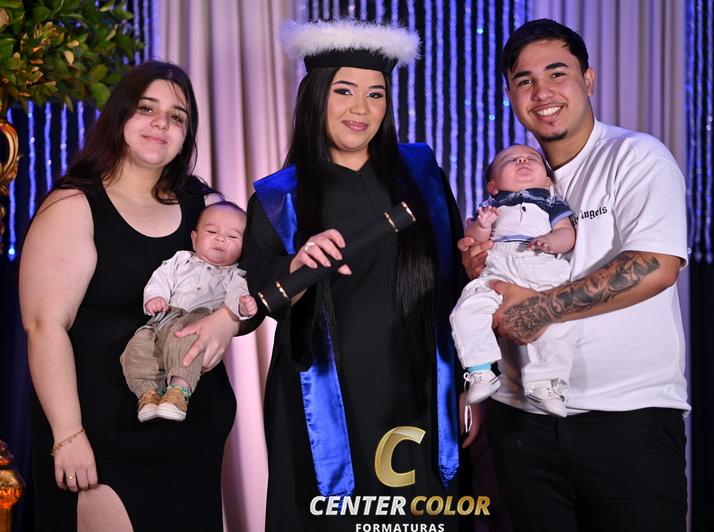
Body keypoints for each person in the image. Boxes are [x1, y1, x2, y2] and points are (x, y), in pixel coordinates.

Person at [239, 20, 474, 531]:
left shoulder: (424, 177)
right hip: (326, 399)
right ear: (316, 96)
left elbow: (457, 285)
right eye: (344, 91)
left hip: (421, 389)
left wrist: (468, 381)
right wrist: (294, 267)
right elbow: (250, 297)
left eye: (376, 94)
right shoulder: (280, 198)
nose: (361, 109)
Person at [460, 19, 689, 531]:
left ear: (588, 79)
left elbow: (657, 265)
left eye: (557, 73)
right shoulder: (511, 176)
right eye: (524, 80)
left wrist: (538, 310)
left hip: (625, 420)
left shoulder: (635, 156)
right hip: (521, 418)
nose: (542, 92)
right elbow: (487, 276)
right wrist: (475, 264)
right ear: (510, 95)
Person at [19, 61, 239, 531]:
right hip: (103, 441)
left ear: (186, 134)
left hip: (192, 437)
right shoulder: (74, 206)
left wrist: (230, 320)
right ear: (120, 115)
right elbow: (44, 327)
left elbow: (251, 288)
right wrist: (67, 435)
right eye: (146, 109)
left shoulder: (206, 209)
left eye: (177, 116)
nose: (161, 124)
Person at [450, 143, 577, 417]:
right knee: (468, 308)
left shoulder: (551, 203)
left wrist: (551, 241)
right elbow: (474, 240)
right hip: (498, 263)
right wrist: (482, 226)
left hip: (539, 261)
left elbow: (567, 234)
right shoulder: (491, 206)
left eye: (532, 158)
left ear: (547, 180)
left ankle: (546, 384)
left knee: (556, 321)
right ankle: (481, 369)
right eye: (510, 159)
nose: (522, 160)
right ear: (493, 186)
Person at [121, 202, 256, 423]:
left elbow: (236, 301)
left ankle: (179, 390)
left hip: (200, 319)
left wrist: (244, 307)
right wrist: (156, 297)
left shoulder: (237, 275)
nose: (220, 239)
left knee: (186, 341)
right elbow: (161, 279)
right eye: (211, 232)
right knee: (138, 346)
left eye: (232, 237)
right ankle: (149, 394)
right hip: (164, 318)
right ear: (194, 238)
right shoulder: (180, 260)